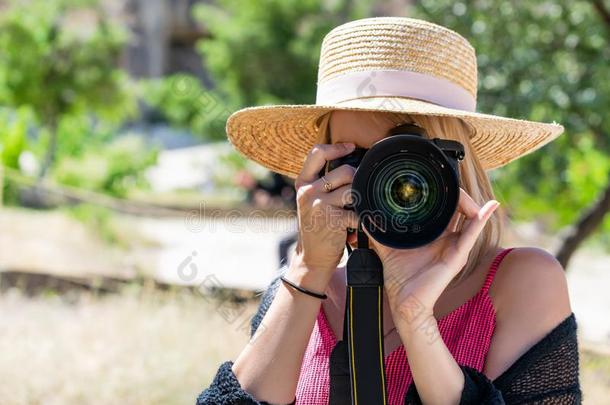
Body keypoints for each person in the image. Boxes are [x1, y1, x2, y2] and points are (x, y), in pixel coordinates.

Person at [197, 17, 581, 404]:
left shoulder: (522, 283)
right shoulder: (305, 292)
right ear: (323, 168)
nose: (381, 184)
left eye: (403, 161)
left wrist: (416, 318)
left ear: (454, 163)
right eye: (356, 160)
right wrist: (307, 271)